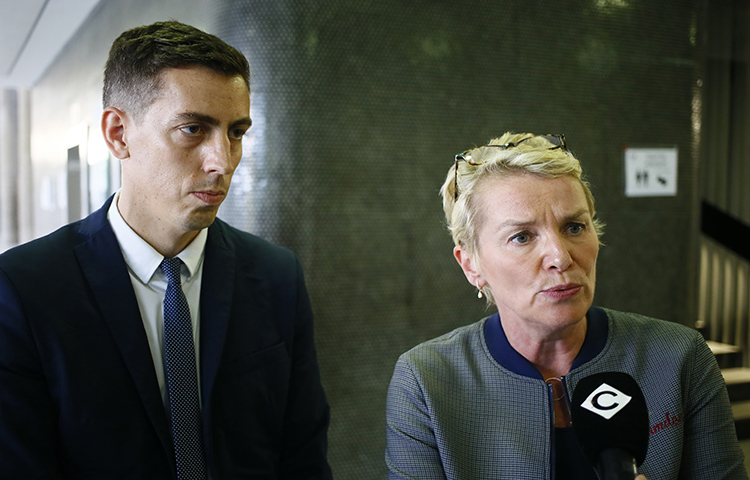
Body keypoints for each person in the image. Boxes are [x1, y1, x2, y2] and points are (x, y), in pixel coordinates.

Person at [0, 21, 332, 479]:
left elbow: (303, 457)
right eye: (193, 129)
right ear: (119, 133)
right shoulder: (24, 288)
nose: (224, 161)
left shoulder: (276, 275)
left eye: (236, 132)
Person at [385, 132, 747, 479]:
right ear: (470, 265)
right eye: (522, 236)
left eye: (574, 227)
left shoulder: (679, 357)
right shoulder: (426, 381)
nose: (560, 256)